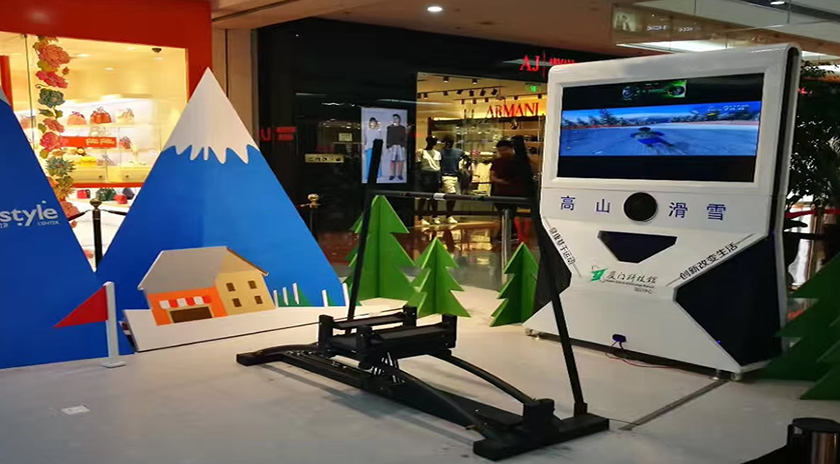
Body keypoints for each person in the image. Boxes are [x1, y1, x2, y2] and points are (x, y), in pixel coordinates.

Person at [490, 139, 538, 244]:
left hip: (515, 192)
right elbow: (492, 176)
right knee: (505, 214)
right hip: (501, 193)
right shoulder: (497, 162)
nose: (503, 152)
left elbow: (533, 170)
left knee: (509, 213)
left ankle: (508, 234)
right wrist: (501, 181)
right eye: (500, 150)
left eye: (505, 150)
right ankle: (508, 234)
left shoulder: (520, 160)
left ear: (511, 149)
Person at [416, 136, 442, 226]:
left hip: (435, 174)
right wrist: (419, 177)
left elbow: (438, 165)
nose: (434, 143)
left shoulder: (437, 153)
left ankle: (435, 216)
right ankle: (420, 217)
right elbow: (418, 165)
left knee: (434, 197)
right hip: (425, 174)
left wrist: (440, 177)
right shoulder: (421, 152)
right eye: (432, 141)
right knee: (423, 196)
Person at [439, 137, 465, 224]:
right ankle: (448, 215)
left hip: (455, 176)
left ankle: (449, 215)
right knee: (451, 195)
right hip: (446, 175)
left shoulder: (458, 152)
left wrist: (463, 168)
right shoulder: (441, 152)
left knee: (454, 196)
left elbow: (466, 158)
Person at [385, 114, 406, 181]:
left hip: (400, 145)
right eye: (394, 118)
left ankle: (400, 174)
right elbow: (388, 137)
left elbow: (404, 137)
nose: (395, 120)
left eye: (396, 118)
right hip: (392, 146)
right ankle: (392, 175)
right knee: (392, 160)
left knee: (400, 160)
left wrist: (404, 146)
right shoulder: (390, 128)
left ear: (399, 119)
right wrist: (388, 146)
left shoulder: (402, 128)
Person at [362, 117, 382, 182]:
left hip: (376, 148)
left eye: (374, 122)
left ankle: (377, 174)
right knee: (368, 162)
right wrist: (364, 148)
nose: (373, 123)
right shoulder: (367, 130)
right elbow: (365, 140)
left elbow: (379, 140)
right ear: (370, 123)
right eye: (371, 122)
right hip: (368, 147)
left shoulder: (378, 131)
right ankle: (368, 175)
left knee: (376, 161)